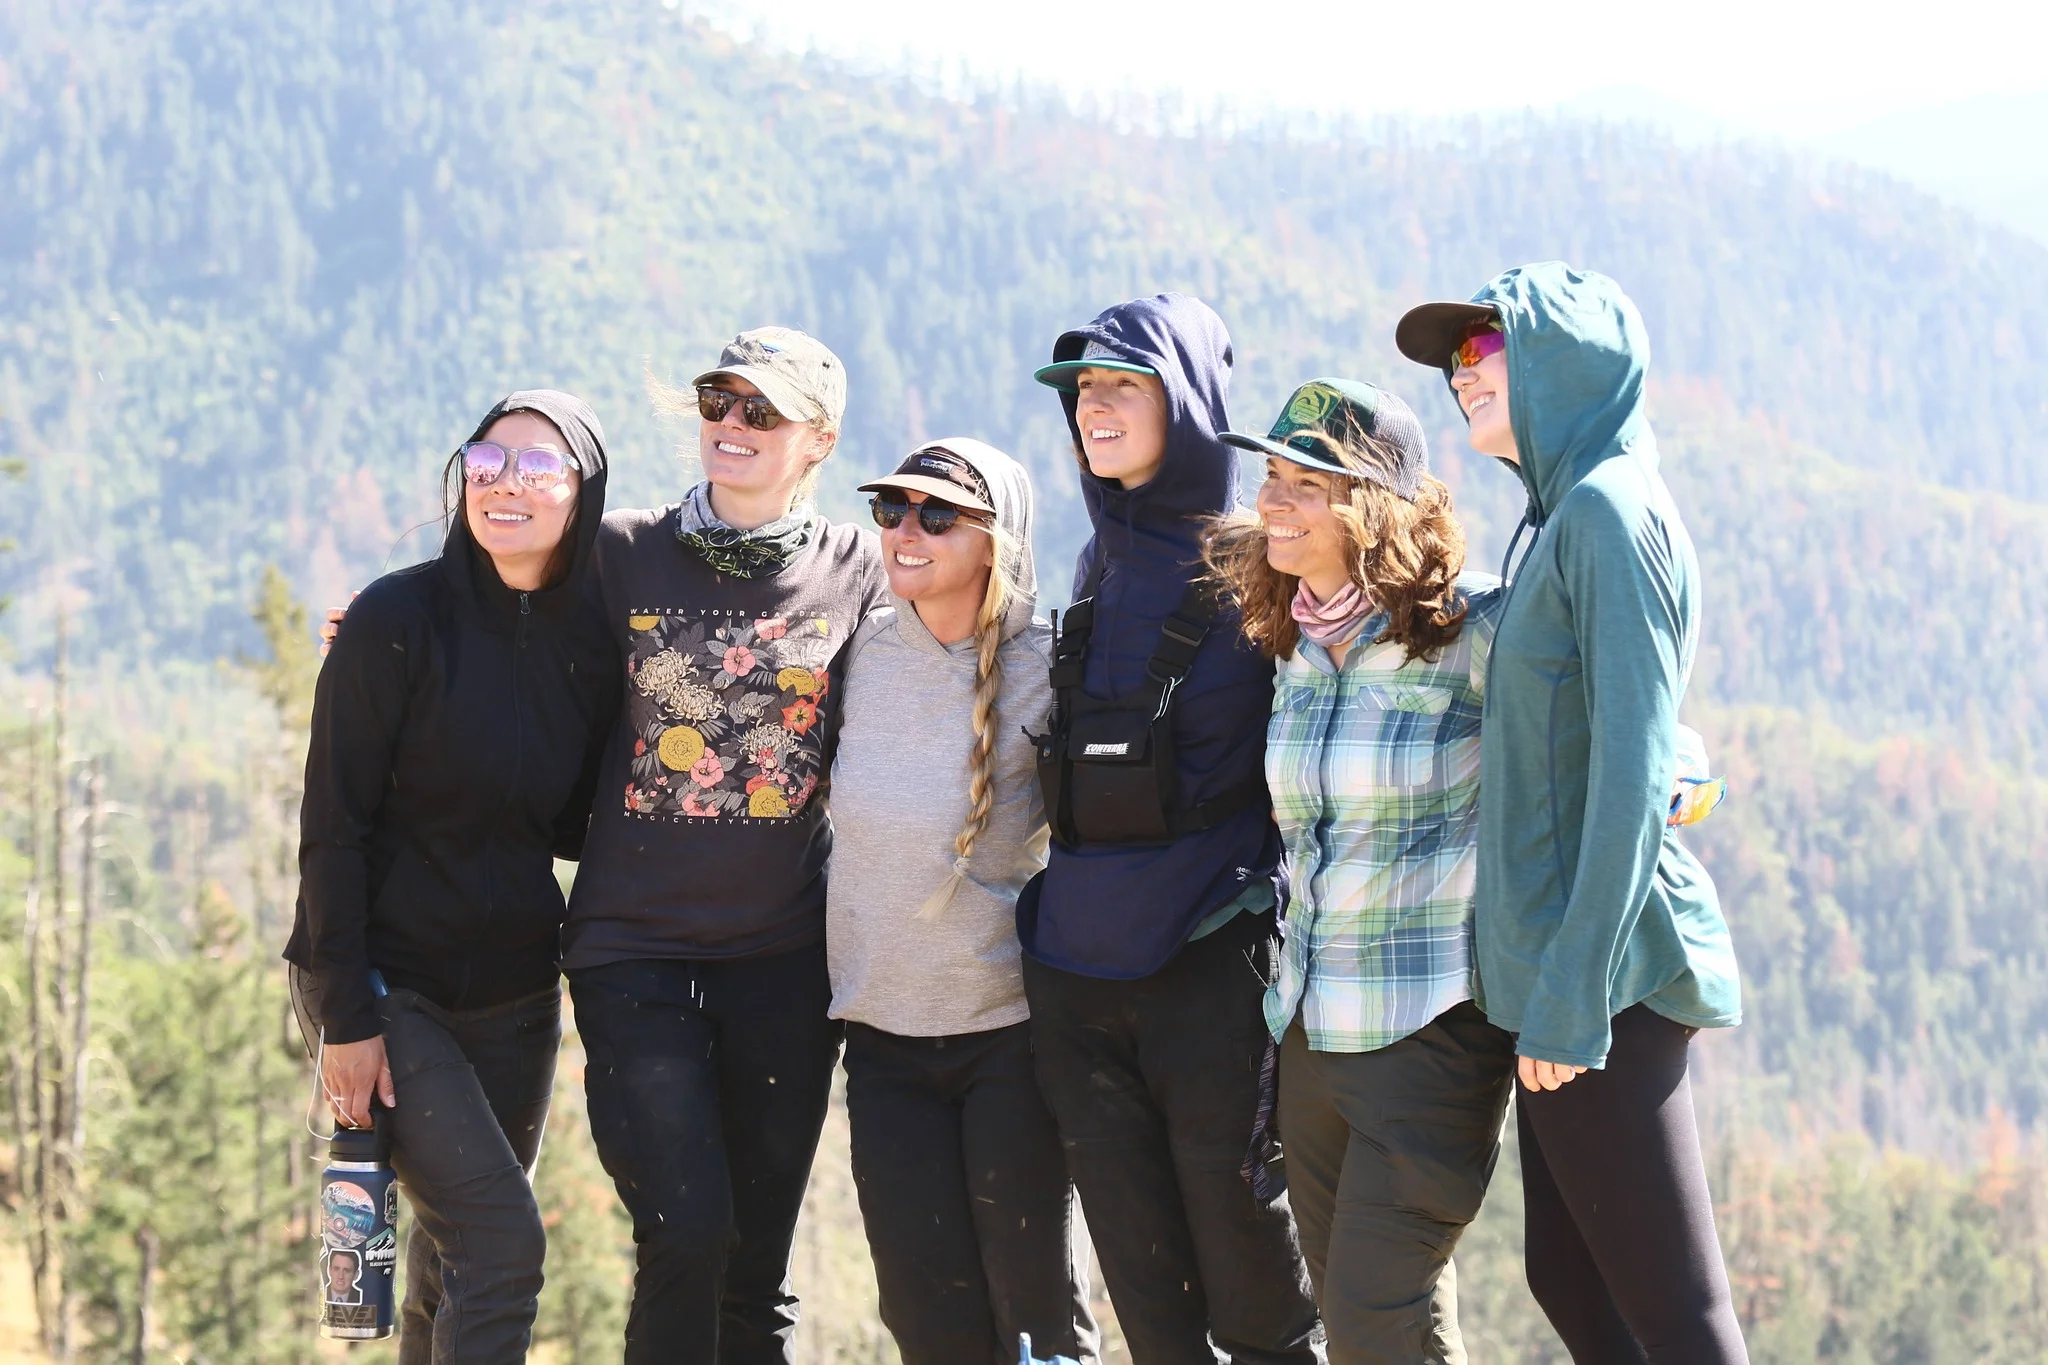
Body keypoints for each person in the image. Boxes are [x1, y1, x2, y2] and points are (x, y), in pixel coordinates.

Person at [1396, 263, 1748, 1363]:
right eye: (1454, 361)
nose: (1463, 376)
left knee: (1671, 1313)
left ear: (1566, 363)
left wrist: (1569, 996)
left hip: (1605, 973)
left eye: (1485, 350)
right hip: (1566, 971)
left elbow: (1636, 770)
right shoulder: (1563, 513)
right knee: (1572, 1279)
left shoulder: (1603, 510)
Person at [564, 328, 888, 1363]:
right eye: (717, 401)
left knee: (752, 1266)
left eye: (761, 411)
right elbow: (497, 629)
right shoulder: (619, 551)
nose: (730, 425)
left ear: (817, 440)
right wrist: (385, 639)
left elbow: (956, 661)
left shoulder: (859, 568)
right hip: (632, 955)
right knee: (685, 1231)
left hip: (784, 964)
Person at [286, 389, 620, 1362]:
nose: (503, 486)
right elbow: (331, 829)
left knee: (450, 1265)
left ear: (583, 497)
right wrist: (346, 1018)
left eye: (536, 469)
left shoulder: (590, 646)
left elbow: (565, 823)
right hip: (387, 987)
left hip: (517, 997)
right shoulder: (394, 620)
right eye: (485, 463)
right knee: (502, 1247)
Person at [1020, 296, 1323, 1363]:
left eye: (1122, 385)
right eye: (1082, 392)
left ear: (1187, 402)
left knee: (1256, 1297)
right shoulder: (1098, 559)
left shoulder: (1262, 557)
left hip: (1206, 964)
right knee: (1150, 1309)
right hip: (1075, 974)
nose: (1093, 409)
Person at [1204, 378, 1513, 1364]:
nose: (1273, 502)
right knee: (1359, 1325)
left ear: (1370, 509)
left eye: (1308, 484)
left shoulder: (1470, 639)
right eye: (1271, 477)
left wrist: (1677, 780)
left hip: (1426, 1035)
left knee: (1381, 1316)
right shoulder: (1294, 646)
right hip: (1309, 1039)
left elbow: (1604, 727)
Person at [826, 439, 1099, 1365]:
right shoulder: (856, 646)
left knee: (1035, 1314)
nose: (906, 531)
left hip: (1008, 1036)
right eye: (894, 509)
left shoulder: (1050, 664)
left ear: (998, 541)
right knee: (926, 1317)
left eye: (937, 515)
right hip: (880, 1037)